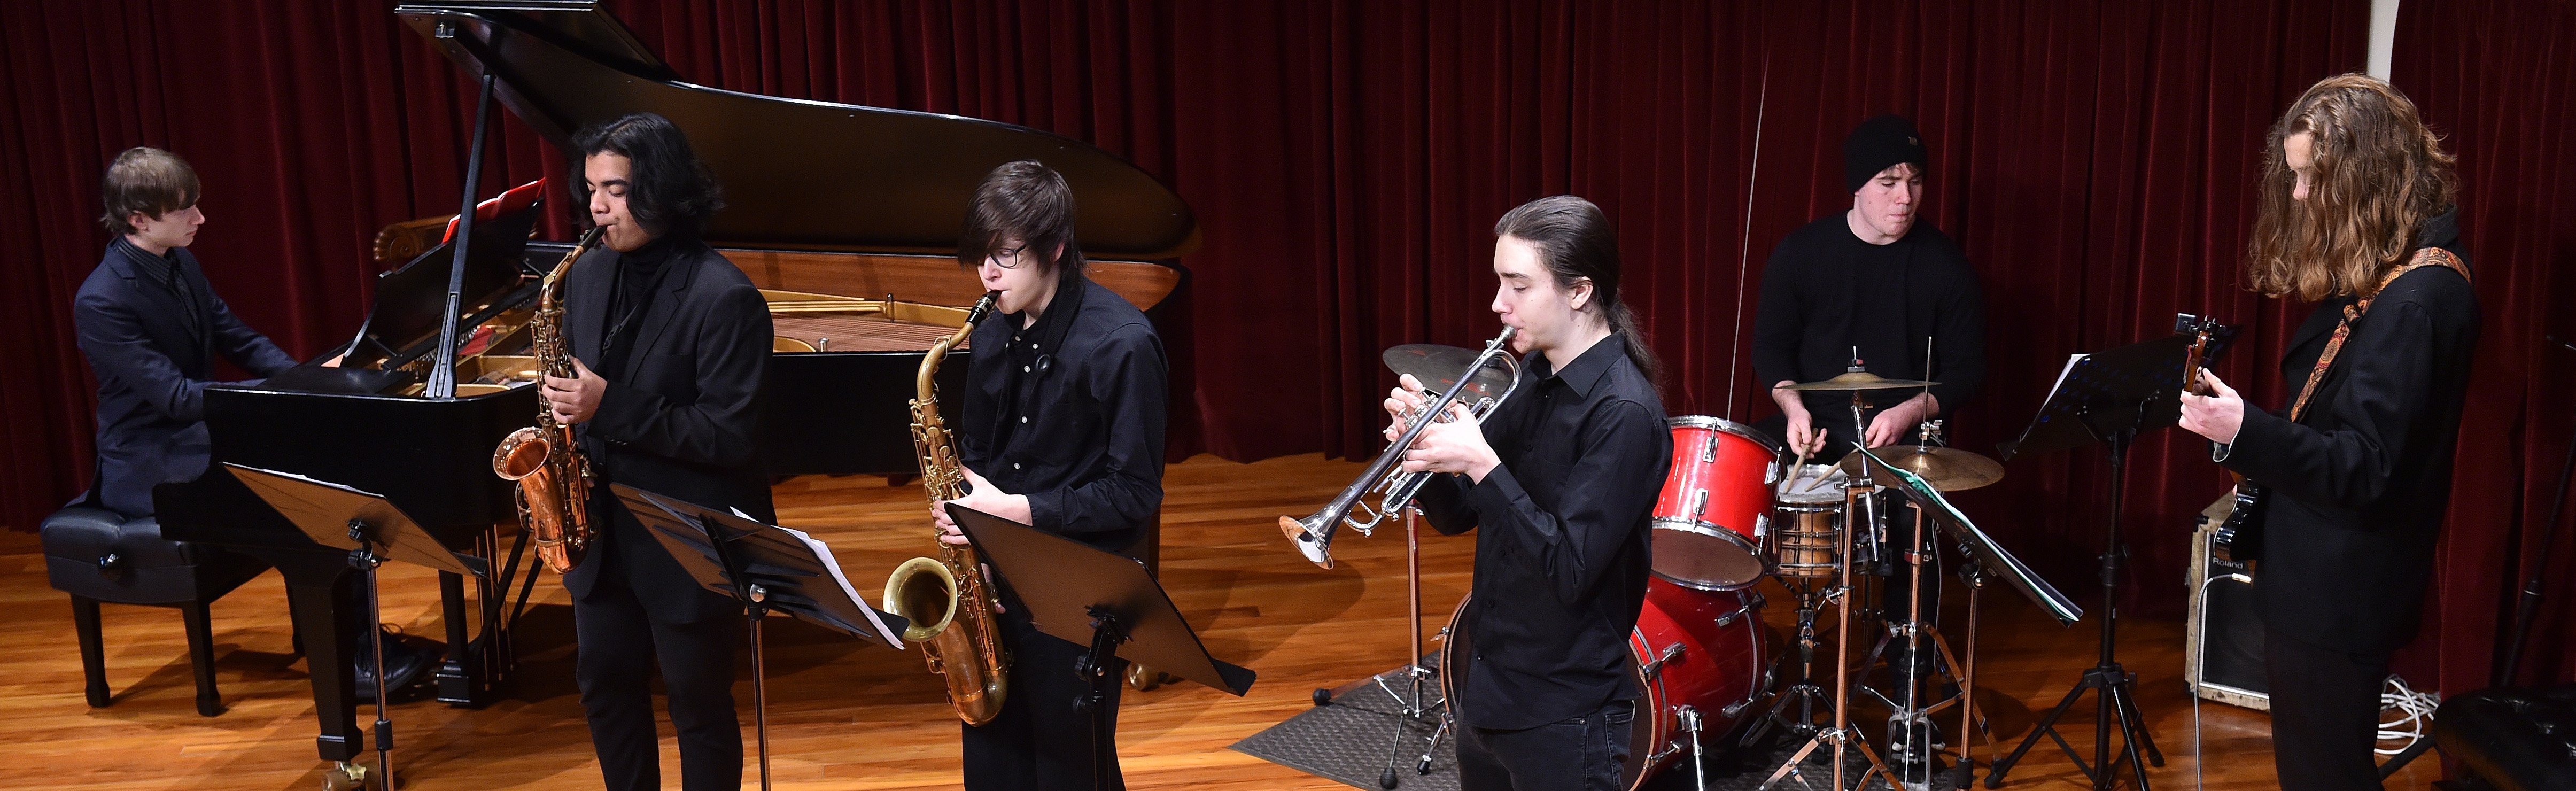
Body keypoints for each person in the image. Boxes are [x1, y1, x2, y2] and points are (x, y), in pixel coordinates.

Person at [2180, 74, 2477, 791]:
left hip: (2342, 592)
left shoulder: (2416, 299)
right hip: (2327, 580)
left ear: (2366, 173)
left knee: (2325, 776)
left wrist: (2245, 430)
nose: (2304, 195)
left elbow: (2364, 467)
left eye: (2314, 178)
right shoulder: (2396, 268)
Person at [1384, 195, 1670, 790]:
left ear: (1578, 291)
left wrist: (1481, 464)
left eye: (1517, 284)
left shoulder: (1623, 414)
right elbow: (1457, 518)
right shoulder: (1526, 378)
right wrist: (1429, 452)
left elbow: (1569, 568)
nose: (1497, 303)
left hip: (1564, 713)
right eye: (1498, 282)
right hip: (1486, 688)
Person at [540, 112, 774, 791]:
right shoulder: (585, 276)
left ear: (663, 191)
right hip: (599, 535)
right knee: (605, 691)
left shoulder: (725, 297)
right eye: (590, 189)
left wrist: (605, 405)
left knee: (697, 708)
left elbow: (729, 436)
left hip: (684, 540)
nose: (597, 207)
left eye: (614, 189)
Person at [928, 159, 1169, 790]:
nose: (987, 273)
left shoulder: (1122, 344)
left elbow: (1135, 491)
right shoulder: (987, 332)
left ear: (1056, 247)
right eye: (982, 255)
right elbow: (977, 457)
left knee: (1072, 772)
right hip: (997, 582)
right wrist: (973, 536)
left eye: (1006, 256)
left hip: (1077, 595)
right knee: (994, 767)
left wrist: (1020, 512)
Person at [73, 146, 301, 519]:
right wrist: (281, 393)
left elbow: (236, 337)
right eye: (183, 210)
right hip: (150, 455)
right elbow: (176, 398)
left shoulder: (181, 261)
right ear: (139, 220)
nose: (200, 218)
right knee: (289, 474)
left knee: (309, 447)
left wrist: (303, 377)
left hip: (196, 433)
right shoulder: (102, 301)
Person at [1750, 113, 1985, 460]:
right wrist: (1794, 408)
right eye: (1888, 182)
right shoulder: (1801, 254)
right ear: (1857, 186)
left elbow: (1967, 372)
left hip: (1900, 437)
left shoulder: (1947, 267)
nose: (1905, 197)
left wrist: (1907, 413)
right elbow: (1771, 347)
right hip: (1816, 430)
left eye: (1915, 181)